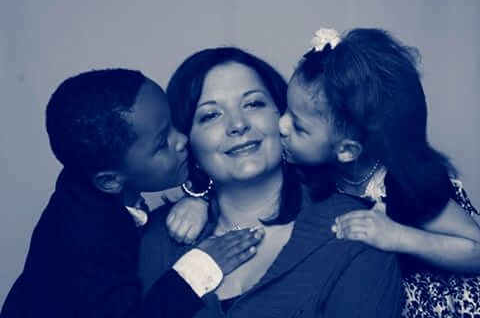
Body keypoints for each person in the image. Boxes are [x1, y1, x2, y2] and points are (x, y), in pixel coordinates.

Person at [139, 47, 404, 317]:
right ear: (185, 141)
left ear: (285, 116)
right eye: (210, 115)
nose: (237, 124)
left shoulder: (357, 230)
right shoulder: (155, 240)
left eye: (253, 104)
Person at [0, 69, 265, 318]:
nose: (181, 140)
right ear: (110, 181)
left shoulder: (90, 173)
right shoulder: (90, 238)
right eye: (163, 143)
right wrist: (201, 266)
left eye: (173, 123)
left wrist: (199, 196)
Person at [277, 28, 480, 317]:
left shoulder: (406, 185)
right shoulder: (310, 163)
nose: (281, 126)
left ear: (347, 150)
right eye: (286, 110)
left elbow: (476, 249)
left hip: (438, 301)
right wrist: (197, 196)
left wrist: (397, 236)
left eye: (298, 126)